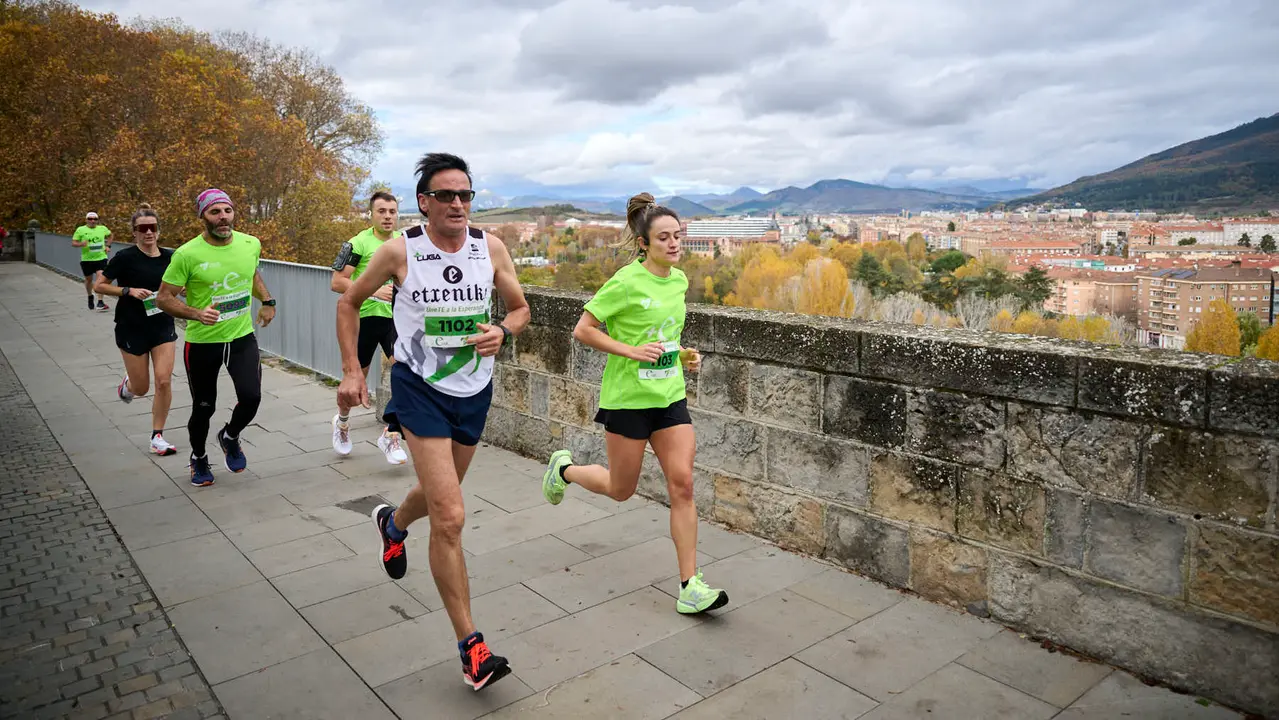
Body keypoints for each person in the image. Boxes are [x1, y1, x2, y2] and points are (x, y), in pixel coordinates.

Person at [337, 153, 530, 692]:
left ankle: (392, 524)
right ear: (424, 202)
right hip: (419, 388)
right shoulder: (400, 250)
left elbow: (519, 309)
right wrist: (353, 369)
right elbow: (348, 303)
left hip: (474, 389)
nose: (458, 204)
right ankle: (473, 647)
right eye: (446, 195)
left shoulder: (489, 247)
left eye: (466, 195)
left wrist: (503, 330)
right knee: (450, 516)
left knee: (437, 495)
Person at [541, 193, 728, 616]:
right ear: (644, 243)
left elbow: (665, 338)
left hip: (669, 396)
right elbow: (583, 330)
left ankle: (690, 586)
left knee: (682, 484)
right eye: (664, 238)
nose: (674, 244)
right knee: (621, 489)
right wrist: (629, 350)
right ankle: (564, 469)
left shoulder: (678, 281)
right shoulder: (625, 281)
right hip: (627, 401)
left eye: (678, 236)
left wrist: (683, 355)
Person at [156, 189, 276, 487]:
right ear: (203, 217)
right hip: (202, 343)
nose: (223, 217)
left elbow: (250, 274)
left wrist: (268, 301)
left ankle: (230, 435)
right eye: (215, 212)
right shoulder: (187, 254)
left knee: (252, 397)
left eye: (227, 211)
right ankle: (198, 458)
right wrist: (196, 313)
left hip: (240, 337)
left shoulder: (250, 243)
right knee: (204, 407)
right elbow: (163, 298)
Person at [94, 204, 179, 456]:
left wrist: (181, 292)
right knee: (142, 388)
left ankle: (157, 436)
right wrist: (127, 291)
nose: (149, 233)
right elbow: (100, 285)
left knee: (163, 381)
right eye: (143, 229)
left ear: (159, 231)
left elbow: (176, 287)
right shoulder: (125, 258)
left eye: (153, 228)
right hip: (132, 327)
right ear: (135, 232)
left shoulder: (170, 258)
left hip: (162, 324)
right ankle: (128, 386)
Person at [329, 191, 408, 464]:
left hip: (395, 321)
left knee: (407, 374)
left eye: (392, 212)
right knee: (353, 387)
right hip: (363, 320)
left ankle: (391, 433)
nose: (387, 217)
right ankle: (341, 423)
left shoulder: (405, 243)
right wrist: (373, 292)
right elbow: (337, 282)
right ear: (371, 214)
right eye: (382, 211)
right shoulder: (357, 243)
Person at [72, 212, 113, 311]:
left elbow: (111, 235)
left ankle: (100, 302)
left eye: (95, 219)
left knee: (100, 278)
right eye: (90, 219)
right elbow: (74, 243)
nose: (92, 221)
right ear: (86, 220)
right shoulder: (80, 229)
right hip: (87, 259)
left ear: (97, 220)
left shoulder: (102, 228)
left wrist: (108, 246)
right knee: (89, 280)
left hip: (101, 258)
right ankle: (90, 296)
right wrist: (82, 244)